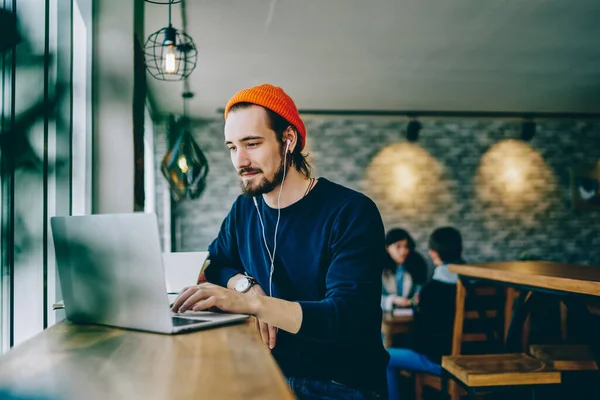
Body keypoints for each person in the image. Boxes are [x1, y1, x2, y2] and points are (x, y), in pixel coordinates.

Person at [171, 84, 389, 399]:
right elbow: (217, 263)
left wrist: (255, 305)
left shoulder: (351, 211)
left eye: (252, 143)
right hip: (267, 370)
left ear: (288, 140)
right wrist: (244, 285)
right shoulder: (245, 208)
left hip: (340, 382)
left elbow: (344, 317)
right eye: (232, 147)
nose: (240, 161)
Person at [385, 227, 465, 400]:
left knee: (385, 357)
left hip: (442, 361)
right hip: (477, 356)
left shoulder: (432, 291)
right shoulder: (476, 283)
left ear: (433, 254)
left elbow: (423, 341)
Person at [381, 228, 428, 312]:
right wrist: (392, 300)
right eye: (398, 246)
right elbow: (371, 298)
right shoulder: (379, 268)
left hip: (409, 316)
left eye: (406, 246)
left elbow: (418, 292)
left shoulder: (416, 265)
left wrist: (415, 299)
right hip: (384, 317)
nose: (403, 251)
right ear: (387, 248)